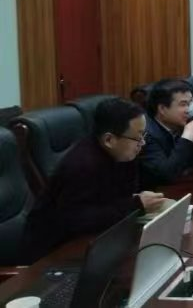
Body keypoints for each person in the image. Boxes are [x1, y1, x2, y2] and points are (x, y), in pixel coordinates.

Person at [23, 98, 166, 263]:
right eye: (138, 137)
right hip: (55, 252)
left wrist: (135, 202)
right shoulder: (82, 165)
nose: (143, 143)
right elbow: (78, 220)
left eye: (143, 135)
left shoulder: (124, 152)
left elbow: (122, 195)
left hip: (100, 237)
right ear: (109, 140)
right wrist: (136, 204)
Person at [138, 78, 193, 189]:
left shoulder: (182, 124)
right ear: (162, 109)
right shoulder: (146, 134)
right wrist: (188, 137)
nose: (189, 110)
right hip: (155, 193)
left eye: (190, 103)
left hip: (183, 187)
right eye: (183, 104)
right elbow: (166, 175)